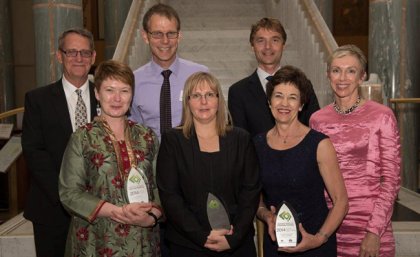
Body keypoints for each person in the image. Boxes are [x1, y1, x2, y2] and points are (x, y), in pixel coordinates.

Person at [58, 60, 162, 256]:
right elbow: (69, 192)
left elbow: (162, 187)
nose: (117, 98)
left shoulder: (147, 136)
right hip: (95, 240)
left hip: (143, 240)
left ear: (132, 95)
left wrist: (152, 217)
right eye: (109, 90)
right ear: (97, 94)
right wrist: (116, 211)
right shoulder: (82, 137)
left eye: (124, 91)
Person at [156, 72, 261, 257]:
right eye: (196, 95)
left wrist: (233, 236)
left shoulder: (241, 139)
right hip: (187, 245)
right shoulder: (173, 141)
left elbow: (251, 192)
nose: (203, 102)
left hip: (235, 244)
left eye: (210, 95)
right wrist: (202, 236)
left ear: (219, 100)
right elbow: (170, 195)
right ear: (187, 102)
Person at [310, 44, 401, 257]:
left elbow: (391, 179)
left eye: (351, 71)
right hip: (330, 226)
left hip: (371, 226)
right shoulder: (317, 120)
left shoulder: (382, 116)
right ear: (328, 75)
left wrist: (374, 231)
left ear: (362, 77)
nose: (342, 78)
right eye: (336, 70)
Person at [254, 65, 348, 257]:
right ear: (269, 101)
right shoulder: (257, 144)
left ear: (301, 105)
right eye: (278, 95)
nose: (284, 103)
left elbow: (341, 202)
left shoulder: (319, 144)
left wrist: (319, 238)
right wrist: (265, 215)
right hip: (277, 244)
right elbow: (255, 197)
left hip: (316, 243)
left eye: (292, 97)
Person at [21, 28, 98, 257]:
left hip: (99, 207)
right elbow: (34, 152)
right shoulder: (38, 100)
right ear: (59, 55)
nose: (78, 58)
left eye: (85, 52)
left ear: (93, 57)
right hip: (52, 207)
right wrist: (69, 196)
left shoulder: (107, 98)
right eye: (71, 52)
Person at [228, 17, 320, 138]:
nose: (268, 46)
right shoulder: (238, 92)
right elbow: (240, 141)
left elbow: (315, 129)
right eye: (261, 40)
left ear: (283, 45)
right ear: (252, 46)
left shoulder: (302, 84)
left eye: (275, 40)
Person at [130, 3, 208, 140]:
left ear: (179, 36)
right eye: (157, 34)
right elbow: (131, 131)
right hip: (151, 159)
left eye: (171, 34)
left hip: (192, 158)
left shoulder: (199, 75)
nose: (165, 41)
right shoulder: (134, 81)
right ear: (145, 36)